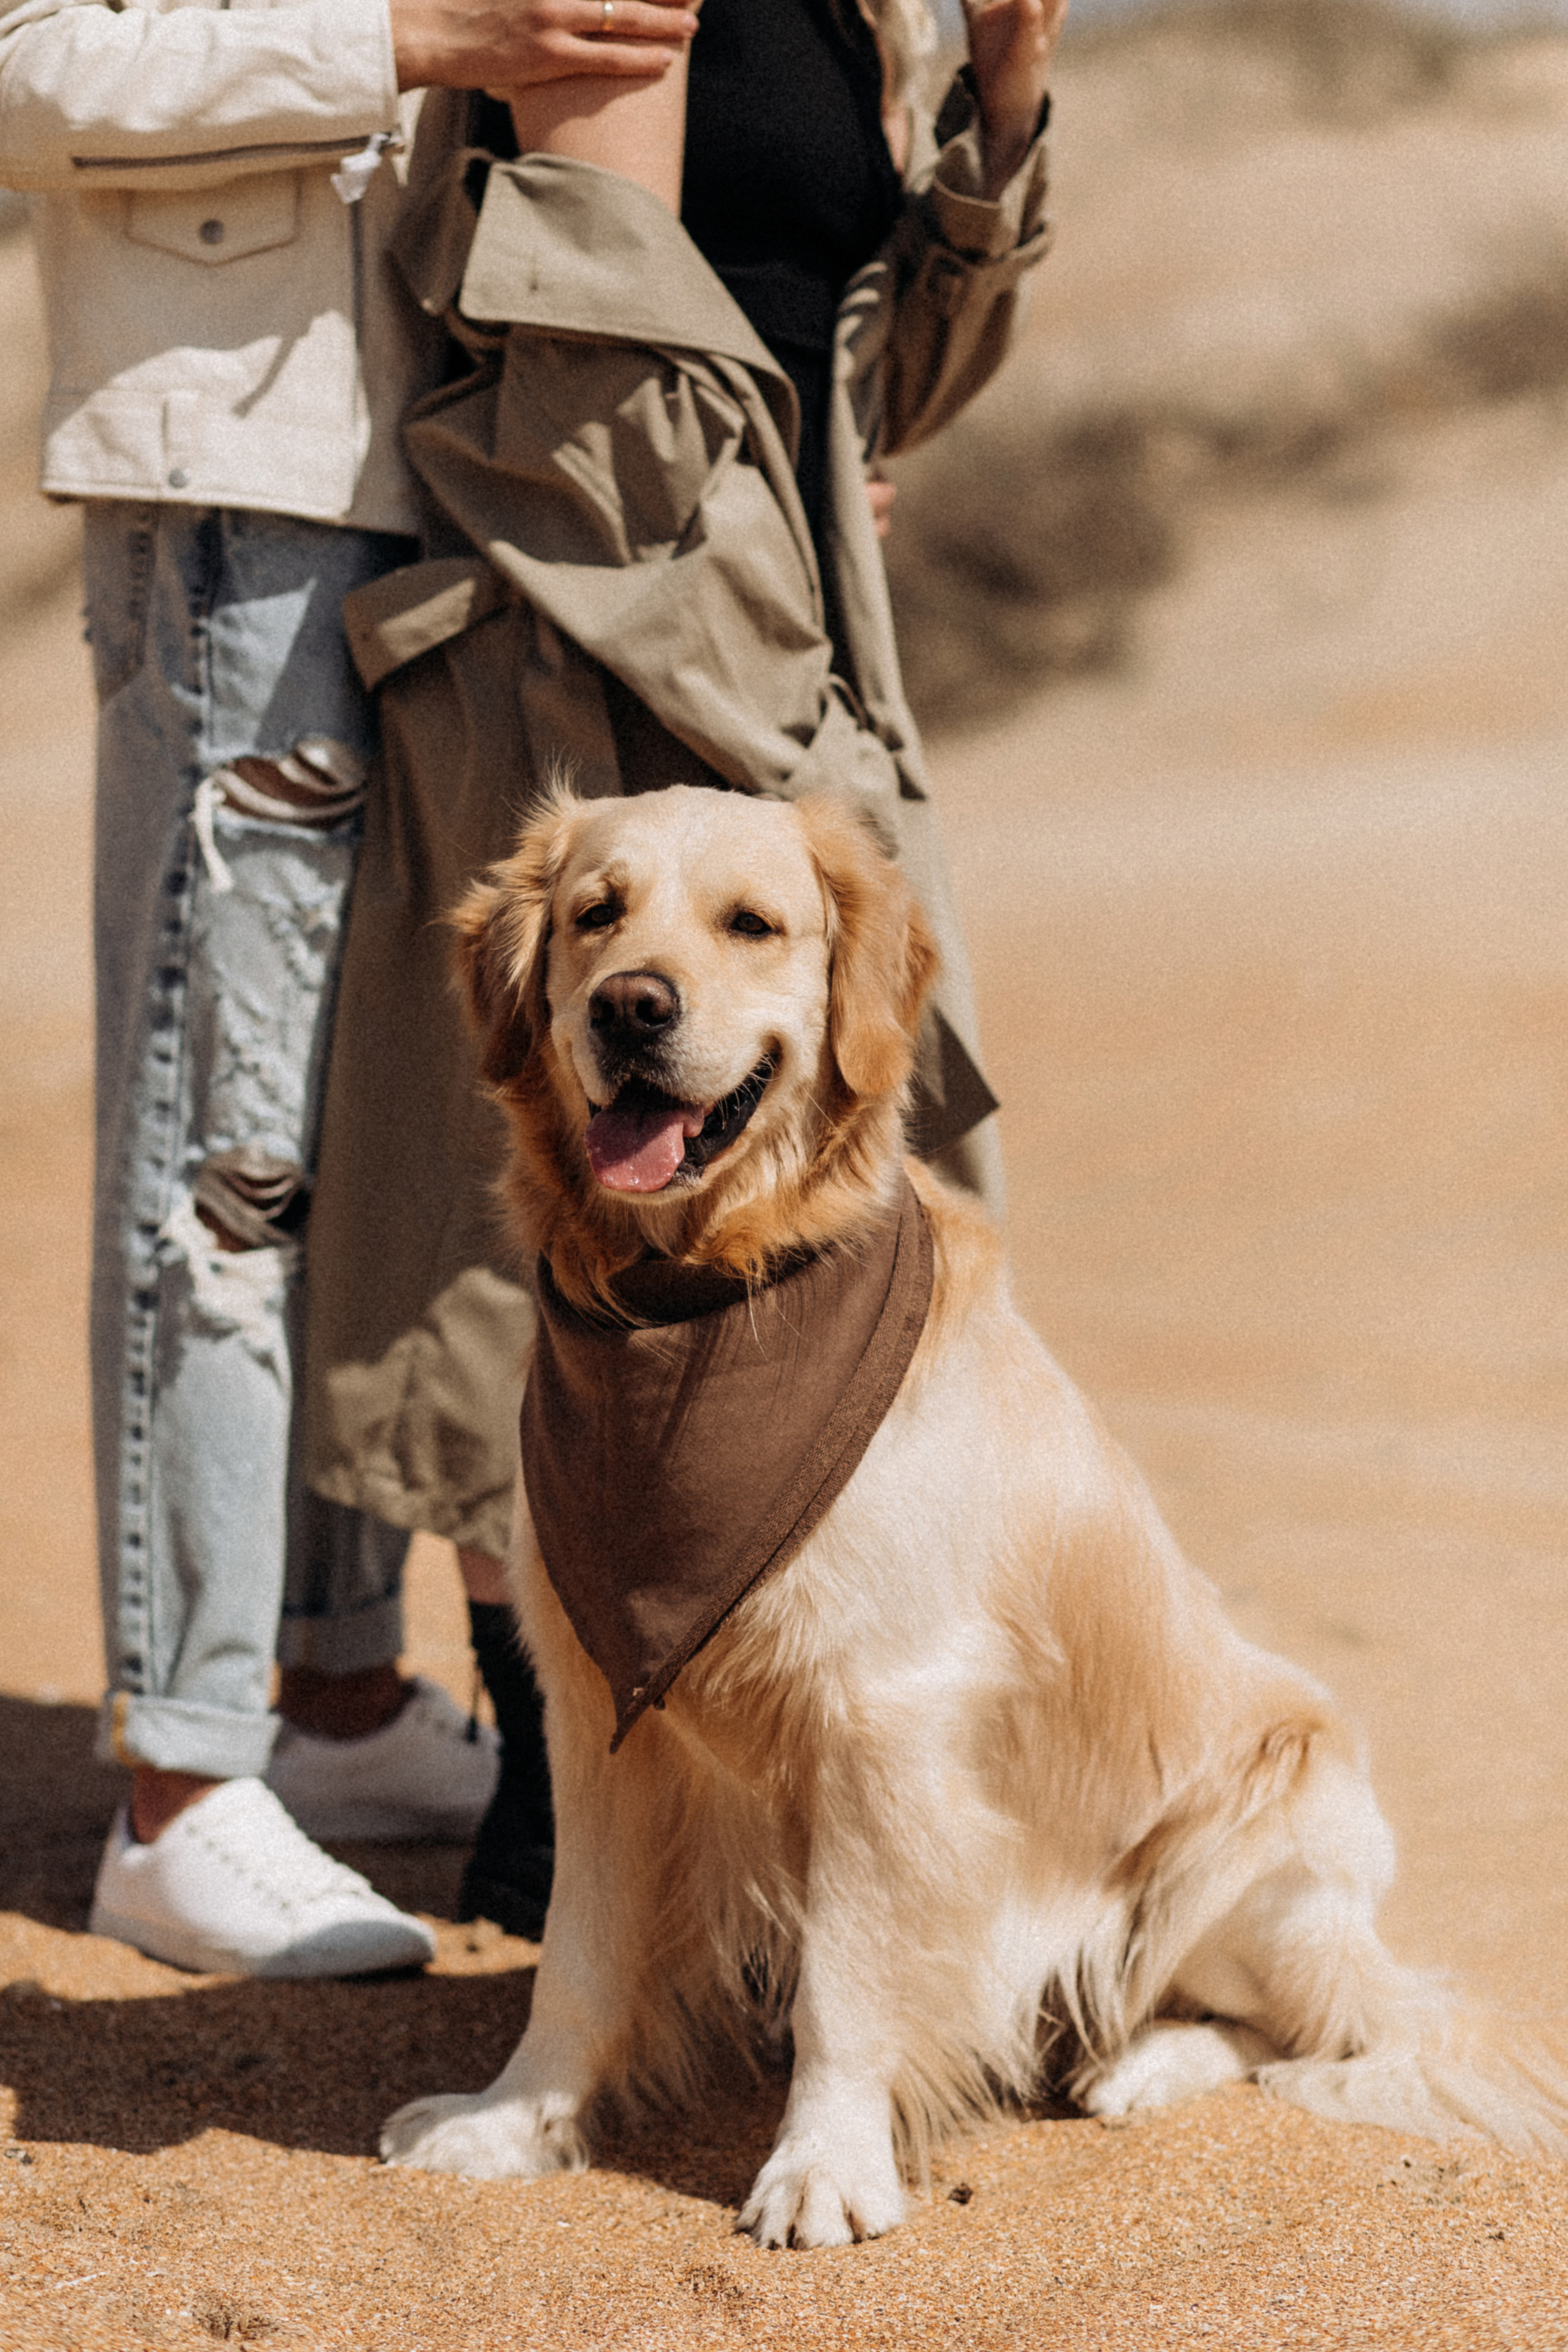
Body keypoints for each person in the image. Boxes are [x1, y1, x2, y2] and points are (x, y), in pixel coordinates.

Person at [300, 0, 1068, 1940]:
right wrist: (797, 757)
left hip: (792, 647)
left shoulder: (862, 22)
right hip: (597, 652)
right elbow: (585, 412)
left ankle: (831, 1737)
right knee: (548, 1231)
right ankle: (562, 1774)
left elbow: (887, 382)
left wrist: (1003, 93)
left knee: (857, 1194)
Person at [0, 0, 699, 1975]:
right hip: (247, 484)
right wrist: (420, 37)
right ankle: (183, 1788)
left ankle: (329, 1699)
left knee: (362, 1127)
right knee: (219, 1145)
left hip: (461, 500)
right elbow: (30, 69)